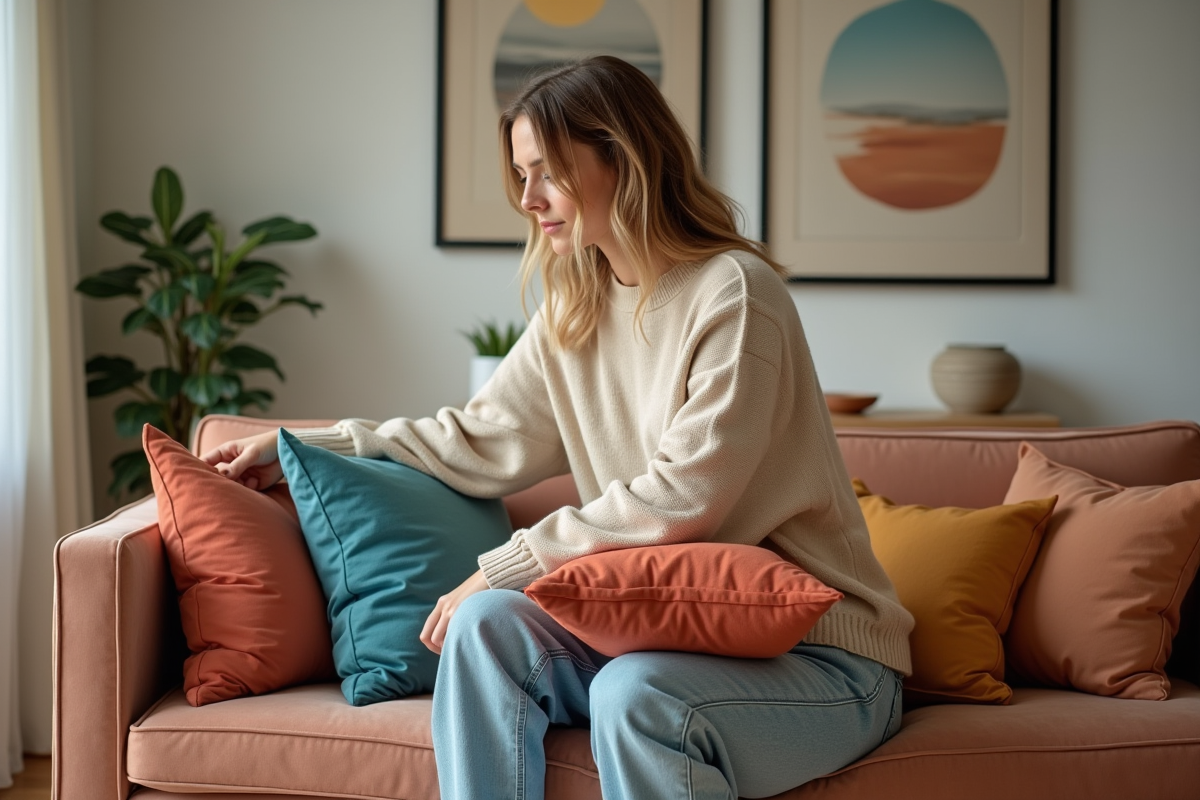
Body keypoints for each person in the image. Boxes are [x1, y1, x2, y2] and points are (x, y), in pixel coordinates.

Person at [204, 55, 913, 800]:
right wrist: (306, 447)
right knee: (485, 628)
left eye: (546, 171)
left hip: (825, 662)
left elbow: (685, 493)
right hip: (670, 635)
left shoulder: (734, 294)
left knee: (636, 694)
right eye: (520, 174)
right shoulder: (575, 310)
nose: (528, 198)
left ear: (622, 156)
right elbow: (480, 439)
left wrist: (507, 562)